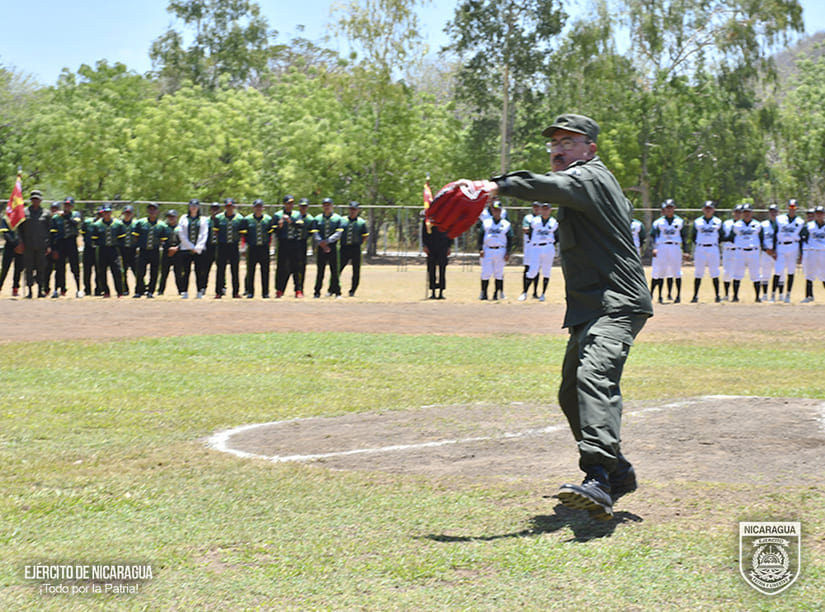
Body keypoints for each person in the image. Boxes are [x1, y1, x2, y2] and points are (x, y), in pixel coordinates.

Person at [465, 113, 652, 520]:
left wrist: (498, 185)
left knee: (594, 377)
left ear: (590, 149)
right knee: (570, 393)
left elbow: (556, 186)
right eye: (554, 143)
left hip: (616, 302)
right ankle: (619, 472)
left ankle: (599, 478)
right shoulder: (583, 183)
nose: (558, 149)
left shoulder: (591, 177)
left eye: (569, 141)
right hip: (590, 306)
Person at [649, 199, 688, 303]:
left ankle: (678, 296)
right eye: (667, 208)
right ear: (664, 209)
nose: (669, 209)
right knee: (661, 271)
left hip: (675, 246)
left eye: (671, 207)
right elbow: (652, 236)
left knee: (676, 271)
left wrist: (686, 250)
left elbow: (684, 236)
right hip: (662, 246)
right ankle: (660, 296)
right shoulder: (659, 222)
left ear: (674, 208)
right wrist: (654, 247)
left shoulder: (679, 221)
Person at [519, 202, 557, 302]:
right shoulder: (535, 221)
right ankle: (524, 292)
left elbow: (557, 235)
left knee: (546, 271)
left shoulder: (553, 222)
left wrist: (551, 243)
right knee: (532, 270)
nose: (545, 211)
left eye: (547, 209)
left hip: (548, 247)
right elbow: (529, 232)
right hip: (536, 247)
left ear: (550, 210)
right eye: (543, 209)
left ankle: (543, 294)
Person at [18, 190, 52, 298]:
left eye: (37, 199)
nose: (35, 201)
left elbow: (49, 230)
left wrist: (49, 245)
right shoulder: (24, 212)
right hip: (28, 245)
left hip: (41, 245)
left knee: (41, 268)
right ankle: (29, 291)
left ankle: (40, 290)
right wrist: (20, 242)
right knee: (28, 268)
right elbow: (20, 229)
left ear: (40, 200)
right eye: (33, 199)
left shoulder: (46, 213)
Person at [477, 199, 512, 300]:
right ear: (492, 210)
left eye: (498, 210)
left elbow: (510, 238)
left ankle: (496, 293)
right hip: (487, 249)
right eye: (494, 210)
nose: (496, 212)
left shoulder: (506, 224)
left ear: (501, 211)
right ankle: (484, 293)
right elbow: (480, 236)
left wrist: (508, 252)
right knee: (486, 272)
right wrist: (480, 249)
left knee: (498, 272)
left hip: (500, 250)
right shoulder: (486, 222)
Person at [729, 202, 763, 302]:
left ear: (752, 213)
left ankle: (757, 297)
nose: (747, 214)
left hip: (754, 251)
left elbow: (761, 237)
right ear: (742, 213)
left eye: (748, 212)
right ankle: (735, 297)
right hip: (740, 251)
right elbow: (731, 237)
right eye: (745, 212)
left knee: (755, 274)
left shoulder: (757, 224)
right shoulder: (737, 225)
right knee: (737, 274)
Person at [132, 202, 168, 298]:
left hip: (154, 251)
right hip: (143, 250)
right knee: (140, 271)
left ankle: (151, 291)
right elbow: (136, 237)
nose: (152, 211)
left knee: (154, 272)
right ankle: (139, 291)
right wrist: (138, 247)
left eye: (154, 209)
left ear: (157, 211)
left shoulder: (162, 225)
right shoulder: (140, 223)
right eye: (150, 209)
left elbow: (163, 240)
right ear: (147, 211)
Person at [689, 200, 722, 303]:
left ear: (713, 210)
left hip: (713, 248)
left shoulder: (718, 221)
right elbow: (693, 236)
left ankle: (717, 296)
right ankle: (695, 296)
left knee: (714, 272)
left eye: (710, 208)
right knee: (698, 272)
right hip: (700, 248)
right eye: (706, 208)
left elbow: (721, 235)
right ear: (703, 209)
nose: (708, 210)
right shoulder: (698, 221)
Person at [772, 199, 805, 303]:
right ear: (787, 208)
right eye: (790, 207)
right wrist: (773, 249)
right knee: (778, 271)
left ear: (797, 209)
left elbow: (801, 238)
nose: (792, 209)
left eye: (794, 208)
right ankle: (773, 295)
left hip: (793, 246)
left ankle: (788, 295)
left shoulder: (800, 221)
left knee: (791, 271)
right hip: (781, 246)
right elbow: (774, 234)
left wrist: (801, 253)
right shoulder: (780, 219)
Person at [91, 204, 126, 298]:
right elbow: (94, 239)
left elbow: (121, 238)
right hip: (102, 249)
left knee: (117, 271)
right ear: (102, 213)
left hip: (114, 249)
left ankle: (119, 292)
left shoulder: (118, 224)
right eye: (105, 212)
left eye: (108, 212)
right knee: (102, 271)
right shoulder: (97, 225)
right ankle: (106, 291)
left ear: (111, 212)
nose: (107, 214)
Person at [241, 198, 274, 298]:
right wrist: (243, 247)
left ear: (263, 208)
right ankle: (250, 291)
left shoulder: (268, 219)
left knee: (265, 270)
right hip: (252, 248)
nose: (258, 209)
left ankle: (265, 292)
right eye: (256, 207)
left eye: (260, 207)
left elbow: (270, 234)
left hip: (264, 247)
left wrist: (269, 244)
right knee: (250, 270)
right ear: (253, 208)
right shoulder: (247, 219)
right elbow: (244, 236)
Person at [311, 197, 343, 298]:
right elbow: (315, 232)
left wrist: (328, 241)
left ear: (332, 206)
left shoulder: (337, 218)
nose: (327, 207)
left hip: (332, 246)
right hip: (321, 246)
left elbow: (339, 233)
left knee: (334, 270)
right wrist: (321, 242)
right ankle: (317, 292)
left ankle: (337, 292)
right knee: (320, 270)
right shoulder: (317, 219)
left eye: (328, 205)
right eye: (325, 205)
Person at [178, 199, 210, 298]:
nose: (193, 208)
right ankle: (184, 291)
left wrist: (198, 247)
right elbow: (181, 233)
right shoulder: (183, 218)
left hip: (199, 249)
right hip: (185, 249)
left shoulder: (203, 219)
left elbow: (204, 234)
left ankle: (199, 291)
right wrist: (190, 246)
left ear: (198, 207)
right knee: (185, 271)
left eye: (195, 206)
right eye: (192, 206)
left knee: (199, 271)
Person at [213, 198, 244, 298]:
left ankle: (236, 292)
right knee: (220, 269)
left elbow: (242, 233)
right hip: (222, 246)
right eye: (227, 206)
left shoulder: (240, 218)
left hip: (234, 246)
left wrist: (242, 246)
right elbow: (216, 232)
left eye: (231, 206)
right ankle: (218, 292)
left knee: (235, 269)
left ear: (234, 207)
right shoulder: (219, 218)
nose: (229, 208)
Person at [273, 195, 302, 298]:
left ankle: (298, 289)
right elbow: (273, 230)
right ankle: (279, 289)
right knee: (281, 267)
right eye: (288, 203)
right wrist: (279, 226)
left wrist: (290, 221)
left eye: (292, 203)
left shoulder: (297, 214)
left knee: (296, 267)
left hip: (294, 242)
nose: (290, 205)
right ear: (284, 204)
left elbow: (300, 226)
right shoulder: (278, 215)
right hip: (283, 243)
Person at [338, 201, 369, 297]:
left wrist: (359, 243)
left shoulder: (361, 222)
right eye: (351, 209)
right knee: (337, 269)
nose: (352, 211)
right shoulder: (342, 220)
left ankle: (352, 290)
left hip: (355, 248)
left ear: (358, 210)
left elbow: (365, 236)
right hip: (344, 248)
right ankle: (333, 288)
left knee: (356, 270)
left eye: (354, 209)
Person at [422, 211, 451, 300]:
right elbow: (424, 233)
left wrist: (449, 246)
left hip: (443, 247)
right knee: (431, 270)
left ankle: (441, 292)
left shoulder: (447, 218)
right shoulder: (428, 219)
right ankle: (433, 292)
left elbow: (450, 233)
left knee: (442, 270)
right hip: (431, 247)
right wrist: (424, 245)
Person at [799, 205, 825, 303]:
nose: (819, 215)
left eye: (821, 213)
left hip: (823, 252)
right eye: (817, 213)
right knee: (809, 273)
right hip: (812, 251)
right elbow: (802, 237)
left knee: (824, 274)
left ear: (824, 214)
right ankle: (809, 296)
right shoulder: (809, 226)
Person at [58, 197, 82, 298]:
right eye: (65, 205)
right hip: (61, 243)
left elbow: (75, 223)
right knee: (60, 267)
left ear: (72, 206)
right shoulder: (58, 216)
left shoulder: (76, 214)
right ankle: (61, 289)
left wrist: (66, 216)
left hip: (71, 242)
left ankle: (78, 289)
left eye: (69, 205)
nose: (67, 207)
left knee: (75, 266)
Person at [720, 204, 743, 300]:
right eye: (736, 212)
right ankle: (726, 295)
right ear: (733, 213)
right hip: (728, 250)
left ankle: (735, 295)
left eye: (740, 212)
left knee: (737, 272)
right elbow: (721, 235)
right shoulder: (727, 223)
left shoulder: (744, 224)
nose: (738, 214)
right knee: (727, 272)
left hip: (739, 251)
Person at [80, 206, 102, 296]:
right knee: (87, 270)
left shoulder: (103, 224)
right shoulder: (87, 222)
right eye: (99, 214)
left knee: (99, 270)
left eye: (102, 214)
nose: (100, 216)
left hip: (99, 249)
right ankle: (87, 289)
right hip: (88, 248)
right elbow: (83, 232)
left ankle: (98, 289)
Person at [758, 204, 779, 301]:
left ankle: (779, 294)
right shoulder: (763, 224)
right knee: (765, 273)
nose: (773, 213)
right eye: (771, 211)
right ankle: (765, 294)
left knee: (780, 273)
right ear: (769, 213)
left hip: (778, 253)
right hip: (766, 252)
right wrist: (766, 250)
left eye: (775, 211)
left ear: (778, 213)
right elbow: (760, 239)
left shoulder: (781, 224)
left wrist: (775, 251)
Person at [158, 210, 181, 296]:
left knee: (178, 273)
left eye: (173, 216)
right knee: (164, 273)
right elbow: (161, 240)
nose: (171, 218)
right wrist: (168, 249)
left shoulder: (181, 228)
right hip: (166, 252)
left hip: (178, 252)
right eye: (169, 216)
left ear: (176, 217)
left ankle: (181, 290)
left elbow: (184, 240)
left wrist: (177, 248)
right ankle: (161, 290)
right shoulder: (164, 227)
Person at [521, 202, 541, 299]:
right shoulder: (528, 218)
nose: (536, 209)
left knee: (537, 268)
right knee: (528, 268)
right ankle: (524, 291)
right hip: (529, 246)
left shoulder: (543, 219)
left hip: (539, 246)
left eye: (538, 207)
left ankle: (535, 292)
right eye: (534, 207)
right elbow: (525, 229)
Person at [294, 198, 313, 298]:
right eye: (301, 206)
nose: (303, 208)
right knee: (289, 267)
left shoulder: (310, 219)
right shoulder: (294, 216)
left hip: (302, 243)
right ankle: (281, 289)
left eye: (305, 206)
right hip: (292, 243)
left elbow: (311, 232)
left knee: (301, 267)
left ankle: (300, 288)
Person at [0, 216, 24, 296]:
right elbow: (5, 234)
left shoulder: (22, 218)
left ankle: (15, 288)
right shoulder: (6, 218)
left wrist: (20, 244)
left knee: (18, 268)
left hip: (20, 246)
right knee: (5, 268)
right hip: (9, 246)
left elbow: (25, 233)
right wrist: (14, 244)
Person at [119, 205, 139, 297]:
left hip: (133, 249)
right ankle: (124, 289)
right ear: (123, 213)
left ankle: (141, 287)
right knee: (123, 271)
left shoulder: (136, 224)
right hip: (122, 250)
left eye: (129, 213)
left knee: (137, 270)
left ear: (132, 214)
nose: (127, 215)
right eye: (126, 213)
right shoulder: (119, 224)